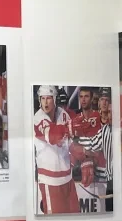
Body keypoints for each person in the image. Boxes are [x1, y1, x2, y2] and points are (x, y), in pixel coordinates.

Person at [32, 85, 77, 214]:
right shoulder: (38, 118)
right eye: (43, 98)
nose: (45, 102)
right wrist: (69, 129)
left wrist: (83, 160)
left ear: (55, 99)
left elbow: (71, 144)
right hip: (50, 182)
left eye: (49, 98)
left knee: (75, 220)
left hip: (68, 180)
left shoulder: (63, 115)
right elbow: (52, 136)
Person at [69, 87, 111, 212]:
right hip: (82, 173)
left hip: (102, 172)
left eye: (86, 96)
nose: (83, 99)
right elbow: (71, 146)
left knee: (103, 209)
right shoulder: (74, 121)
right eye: (81, 96)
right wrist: (85, 157)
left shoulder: (101, 117)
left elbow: (101, 143)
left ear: (92, 98)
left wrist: (83, 149)